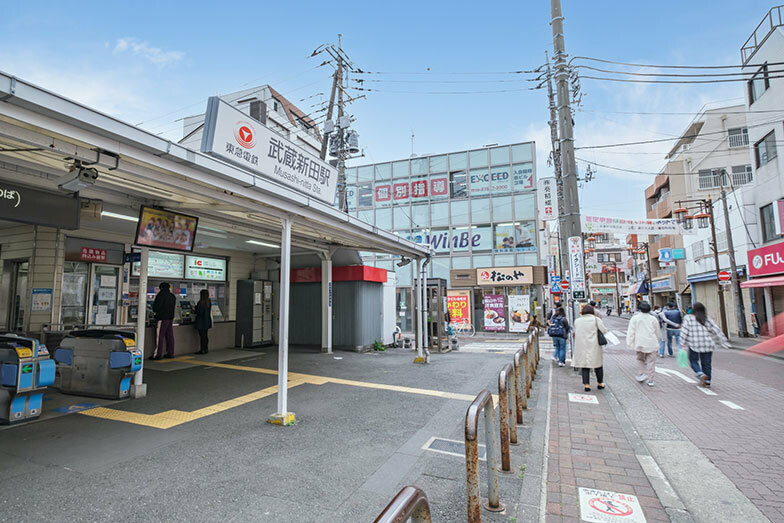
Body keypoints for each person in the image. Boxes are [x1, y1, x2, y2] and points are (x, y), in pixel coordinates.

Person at [681, 302, 729, 387]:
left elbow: (684, 331)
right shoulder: (706, 318)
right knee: (706, 363)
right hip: (707, 343)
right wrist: (723, 341)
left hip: (694, 343)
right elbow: (716, 329)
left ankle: (700, 374)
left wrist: (682, 342)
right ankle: (708, 381)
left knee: (693, 361)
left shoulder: (688, 318)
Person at [572, 304, 608, 391]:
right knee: (598, 365)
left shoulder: (577, 321)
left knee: (585, 365)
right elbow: (604, 330)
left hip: (582, 346)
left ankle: (587, 385)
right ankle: (600, 383)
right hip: (594, 345)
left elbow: (574, 332)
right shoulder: (596, 320)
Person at [626, 302, 662, 386]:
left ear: (640, 309)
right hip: (652, 343)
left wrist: (630, 343)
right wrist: (658, 339)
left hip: (640, 343)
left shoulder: (635, 318)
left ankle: (641, 374)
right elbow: (657, 331)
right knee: (651, 362)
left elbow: (631, 332)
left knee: (640, 359)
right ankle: (651, 380)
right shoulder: (653, 319)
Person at [151, 282, 176, 360]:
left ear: (161, 288)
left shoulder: (161, 295)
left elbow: (155, 307)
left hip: (162, 318)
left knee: (159, 336)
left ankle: (158, 354)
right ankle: (170, 352)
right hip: (170, 318)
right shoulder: (172, 296)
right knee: (170, 336)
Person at [194, 289, 212, 355]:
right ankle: (206, 349)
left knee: (202, 336)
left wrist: (195, 308)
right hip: (207, 321)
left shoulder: (200, 302)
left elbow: (199, 312)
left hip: (201, 322)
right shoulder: (208, 302)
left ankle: (202, 350)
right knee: (205, 336)